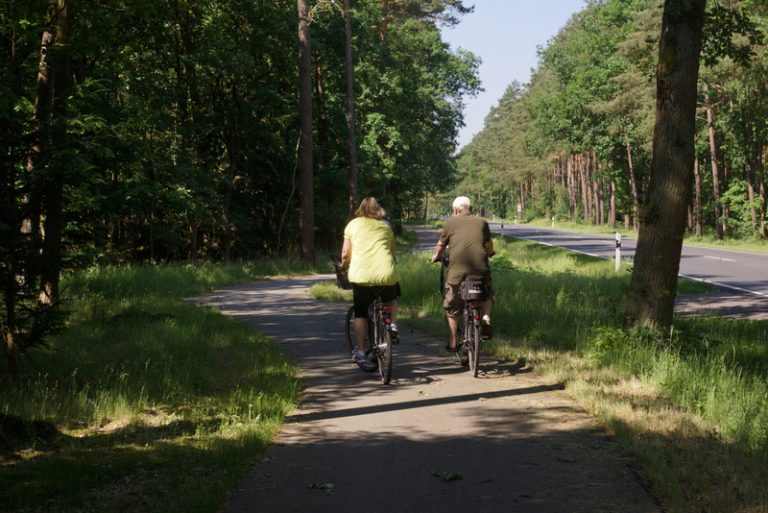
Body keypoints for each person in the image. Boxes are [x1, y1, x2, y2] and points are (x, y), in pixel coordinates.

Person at [431, 196, 493, 362]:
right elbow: (489, 244)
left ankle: (452, 342)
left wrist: (436, 256)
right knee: (486, 293)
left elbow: (441, 245)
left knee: (452, 308)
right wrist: (491, 253)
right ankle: (486, 317)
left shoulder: (450, 222)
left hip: (457, 273)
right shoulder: (482, 222)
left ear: (457, 210)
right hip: (479, 270)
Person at [341, 197, 400, 366]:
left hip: (362, 275)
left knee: (360, 313)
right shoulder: (386, 226)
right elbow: (393, 252)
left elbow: (345, 253)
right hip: (385, 273)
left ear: (361, 209)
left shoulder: (353, 225)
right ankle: (393, 325)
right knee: (392, 299)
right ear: (378, 210)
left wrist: (344, 266)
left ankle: (360, 351)